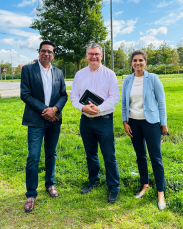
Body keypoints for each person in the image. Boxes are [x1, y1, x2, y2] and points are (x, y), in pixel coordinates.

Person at [20, 40, 68, 213]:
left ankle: (50, 184)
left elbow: (63, 95)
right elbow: (25, 95)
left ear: (53, 55)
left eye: (49, 51)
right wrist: (44, 110)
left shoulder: (58, 72)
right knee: (33, 156)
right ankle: (31, 194)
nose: (46, 54)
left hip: (54, 120)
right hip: (36, 120)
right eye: (43, 51)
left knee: (51, 153)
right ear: (38, 52)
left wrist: (54, 110)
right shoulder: (28, 70)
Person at [70, 42, 121, 203]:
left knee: (109, 155)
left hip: (104, 120)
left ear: (101, 56)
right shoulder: (79, 75)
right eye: (91, 54)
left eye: (97, 54)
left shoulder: (109, 74)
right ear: (86, 56)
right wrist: (83, 108)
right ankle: (93, 180)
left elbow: (114, 97)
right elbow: (74, 96)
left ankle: (114, 186)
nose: (94, 57)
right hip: (86, 120)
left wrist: (99, 109)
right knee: (90, 154)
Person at [121, 49, 169, 210]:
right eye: (135, 60)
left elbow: (161, 103)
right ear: (131, 63)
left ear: (145, 62)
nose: (137, 63)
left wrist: (163, 124)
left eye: (141, 60)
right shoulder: (128, 80)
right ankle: (145, 184)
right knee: (140, 156)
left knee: (156, 158)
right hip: (134, 123)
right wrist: (125, 122)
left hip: (151, 123)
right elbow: (124, 103)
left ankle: (161, 192)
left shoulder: (153, 79)